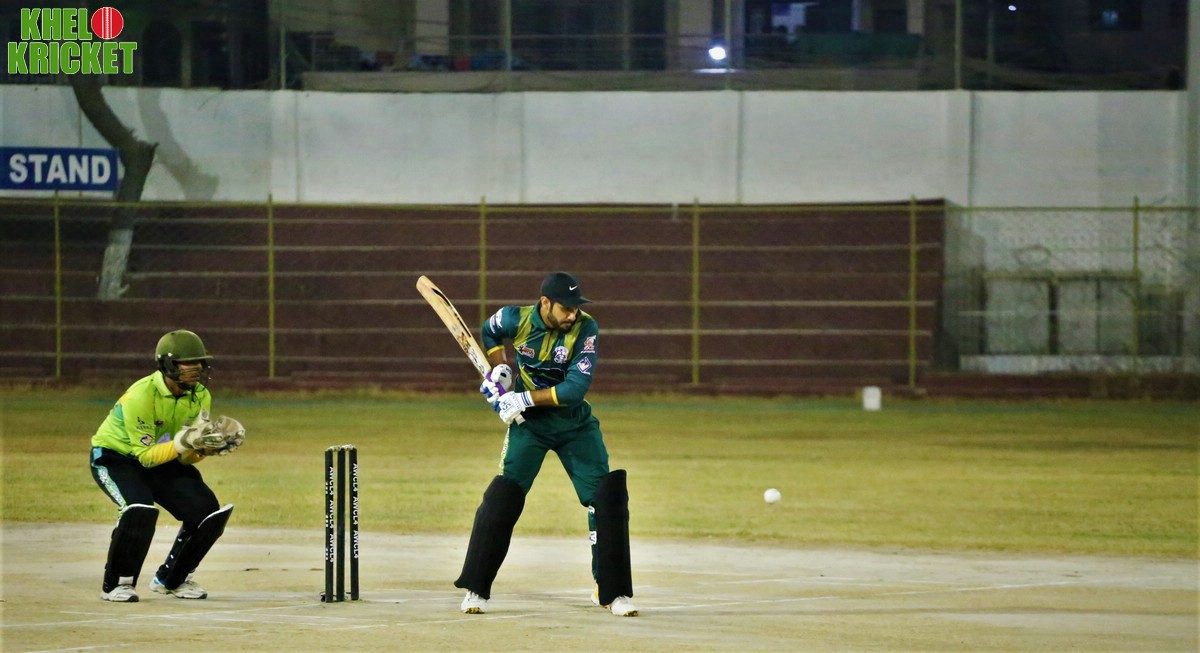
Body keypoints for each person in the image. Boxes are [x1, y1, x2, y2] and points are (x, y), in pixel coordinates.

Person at [454, 272, 637, 617]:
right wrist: (500, 371)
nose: (572, 314)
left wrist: (520, 399)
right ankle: (476, 588)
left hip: (574, 425)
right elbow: (489, 331)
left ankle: (611, 592)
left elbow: (574, 390)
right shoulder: (515, 318)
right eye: (565, 308)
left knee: (606, 498)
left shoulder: (586, 328)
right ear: (545, 303)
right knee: (503, 496)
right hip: (530, 429)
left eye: (575, 308)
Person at [89, 329, 245, 602]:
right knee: (139, 509)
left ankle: (172, 579)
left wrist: (203, 450)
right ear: (168, 365)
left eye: (199, 363)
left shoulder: (200, 395)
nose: (195, 370)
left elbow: (183, 456)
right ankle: (118, 584)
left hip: (162, 455)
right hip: (116, 457)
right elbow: (145, 457)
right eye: (187, 364)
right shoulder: (141, 395)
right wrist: (186, 441)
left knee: (206, 511)